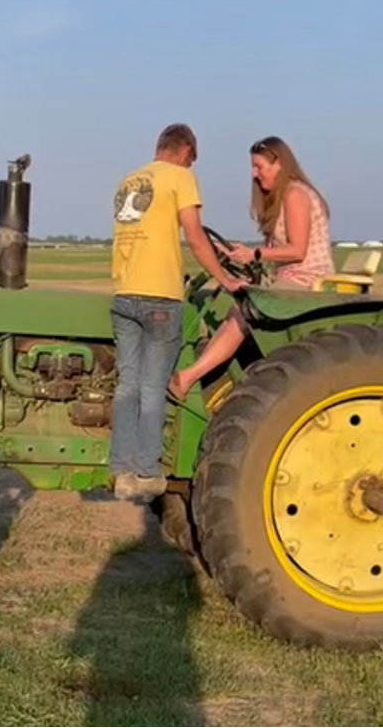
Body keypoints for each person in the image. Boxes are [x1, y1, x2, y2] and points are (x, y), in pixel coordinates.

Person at [110, 123, 244, 502]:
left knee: (127, 385)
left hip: (124, 294)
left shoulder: (129, 181)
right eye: (193, 158)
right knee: (154, 387)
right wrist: (224, 278)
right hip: (160, 297)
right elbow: (195, 235)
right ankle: (149, 473)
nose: (193, 164)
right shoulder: (181, 177)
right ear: (186, 150)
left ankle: (121, 470)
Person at [169, 136, 334, 400]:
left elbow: (297, 250)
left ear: (278, 163)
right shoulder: (283, 198)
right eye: (253, 168)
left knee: (245, 309)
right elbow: (277, 253)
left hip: (307, 280)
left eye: (259, 167)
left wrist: (254, 253)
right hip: (288, 277)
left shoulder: (295, 194)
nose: (255, 175)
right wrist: (237, 254)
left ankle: (187, 378)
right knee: (234, 302)